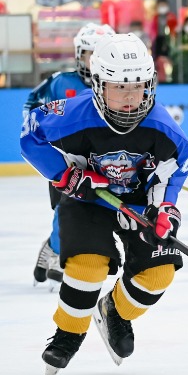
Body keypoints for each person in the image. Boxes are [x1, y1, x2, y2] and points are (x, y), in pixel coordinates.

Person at [20, 33, 188, 375]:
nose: (130, 98)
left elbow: (170, 175)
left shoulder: (165, 130)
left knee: (158, 274)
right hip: (86, 198)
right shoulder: (72, 114)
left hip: (137, 201)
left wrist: (163, 212)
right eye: (118, 88)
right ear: (98, 84)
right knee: (88, 267)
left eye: (138, 87)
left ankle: (115, 311)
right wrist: (64, 174)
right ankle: (68, 334)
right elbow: (29, 135)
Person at [23, 22, 115, 289]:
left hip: (102, 162)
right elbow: (32, 106)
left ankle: (53, 249)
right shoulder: (60, 82)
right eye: (89, 53)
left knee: (92, 210)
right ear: (78, 55)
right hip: (65, 160)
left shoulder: (115, 85)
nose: (94, 59)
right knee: (66, 206)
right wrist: (44, 143)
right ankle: (58, 254)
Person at [152, 0, 178, 82]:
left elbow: (175, 30)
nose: (162, 7)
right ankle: (159, 78)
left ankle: (172, 77)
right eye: (161, 6)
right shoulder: (155, 18)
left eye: (164, 5)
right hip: (158, 40)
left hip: (169, 40)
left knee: (169, 59)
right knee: (158, 60)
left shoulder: (172, 17)